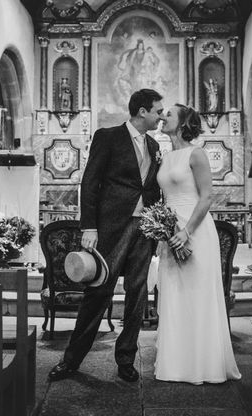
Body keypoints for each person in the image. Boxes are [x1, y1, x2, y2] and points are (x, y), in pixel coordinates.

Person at [48, 88, 165, 383]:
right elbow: (90, 183)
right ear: (142, 111)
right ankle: (71, 360)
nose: (161, 116)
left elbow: (150, 188)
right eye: (158, 111)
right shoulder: (108, 136)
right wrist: (89, 226)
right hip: (112, 227)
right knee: (99, 291)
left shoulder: (153, 145)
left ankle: (125, 358)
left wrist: (158, 223)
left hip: (144, 229)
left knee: (138, 295)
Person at [155, 103, 241, 384]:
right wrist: (164, 229)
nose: (163, 116)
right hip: (170, 231)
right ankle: (177, 364)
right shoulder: (165, 156)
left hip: (195, 229)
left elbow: (206, 197)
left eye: (169, 114)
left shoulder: (196, 153)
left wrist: (187, 231)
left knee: (197, 293)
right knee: (174, 295)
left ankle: (204, 365)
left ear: (182, 123)